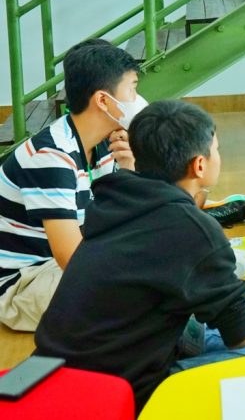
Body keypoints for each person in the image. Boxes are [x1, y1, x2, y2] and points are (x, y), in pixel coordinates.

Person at [34, 100, 245, 410]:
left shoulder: (114, 197)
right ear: (200, 165)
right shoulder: (195, 230)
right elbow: (241, 335)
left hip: (61, 368)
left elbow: (165, 284)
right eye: (216, 149)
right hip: (128, 387)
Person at [0, 38, 143, 331]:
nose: (137, 98)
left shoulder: (103, 144)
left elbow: (117, 222)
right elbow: (72, 259)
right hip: (24, 283)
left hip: (65, 266)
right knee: (141, 294)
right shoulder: (51, 157)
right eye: (133, 88)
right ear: (103, 100)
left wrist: (128, 169)